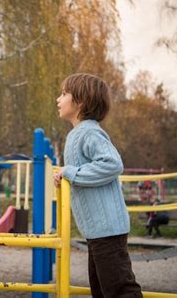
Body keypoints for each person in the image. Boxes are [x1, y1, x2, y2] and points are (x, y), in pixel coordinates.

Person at [53, 73, 142, 298]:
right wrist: (66, 176)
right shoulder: (77, 133)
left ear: (80, 102)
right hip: (96, 230)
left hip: (107, 228)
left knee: (120, 289)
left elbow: (112, 164)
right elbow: (83, 172)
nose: (58, 99)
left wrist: (71, 172)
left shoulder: (89, 132)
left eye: (64, 94)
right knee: (101, 290)